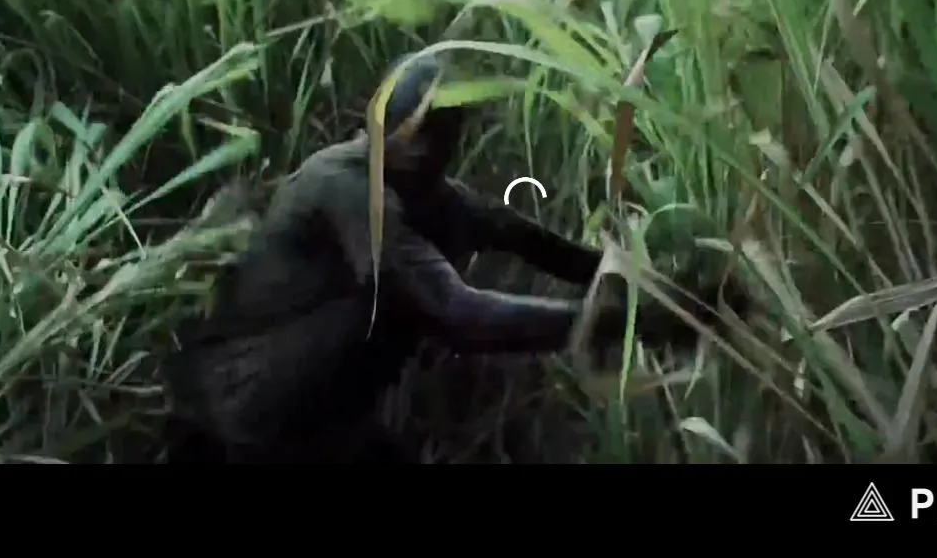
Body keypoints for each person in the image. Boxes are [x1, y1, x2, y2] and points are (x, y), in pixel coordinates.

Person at [161, 54, 715, 463]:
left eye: (435, 132)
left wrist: (675, 300)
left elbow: (557, 254)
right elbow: (458, 314)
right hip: (247, 422)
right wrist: (631, 324)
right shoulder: (347, 187)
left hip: (317, 427)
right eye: (410, 130)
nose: (420, 145)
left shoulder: (439, 201)